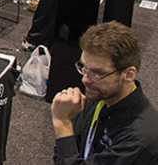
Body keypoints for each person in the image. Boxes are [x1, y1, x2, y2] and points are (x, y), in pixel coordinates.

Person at [51, 21, 158, 164]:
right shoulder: (102, 95)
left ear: (129, 75)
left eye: (97, 73)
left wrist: (62, 123)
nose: (85, 80)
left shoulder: (139, 140)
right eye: (83, 68)